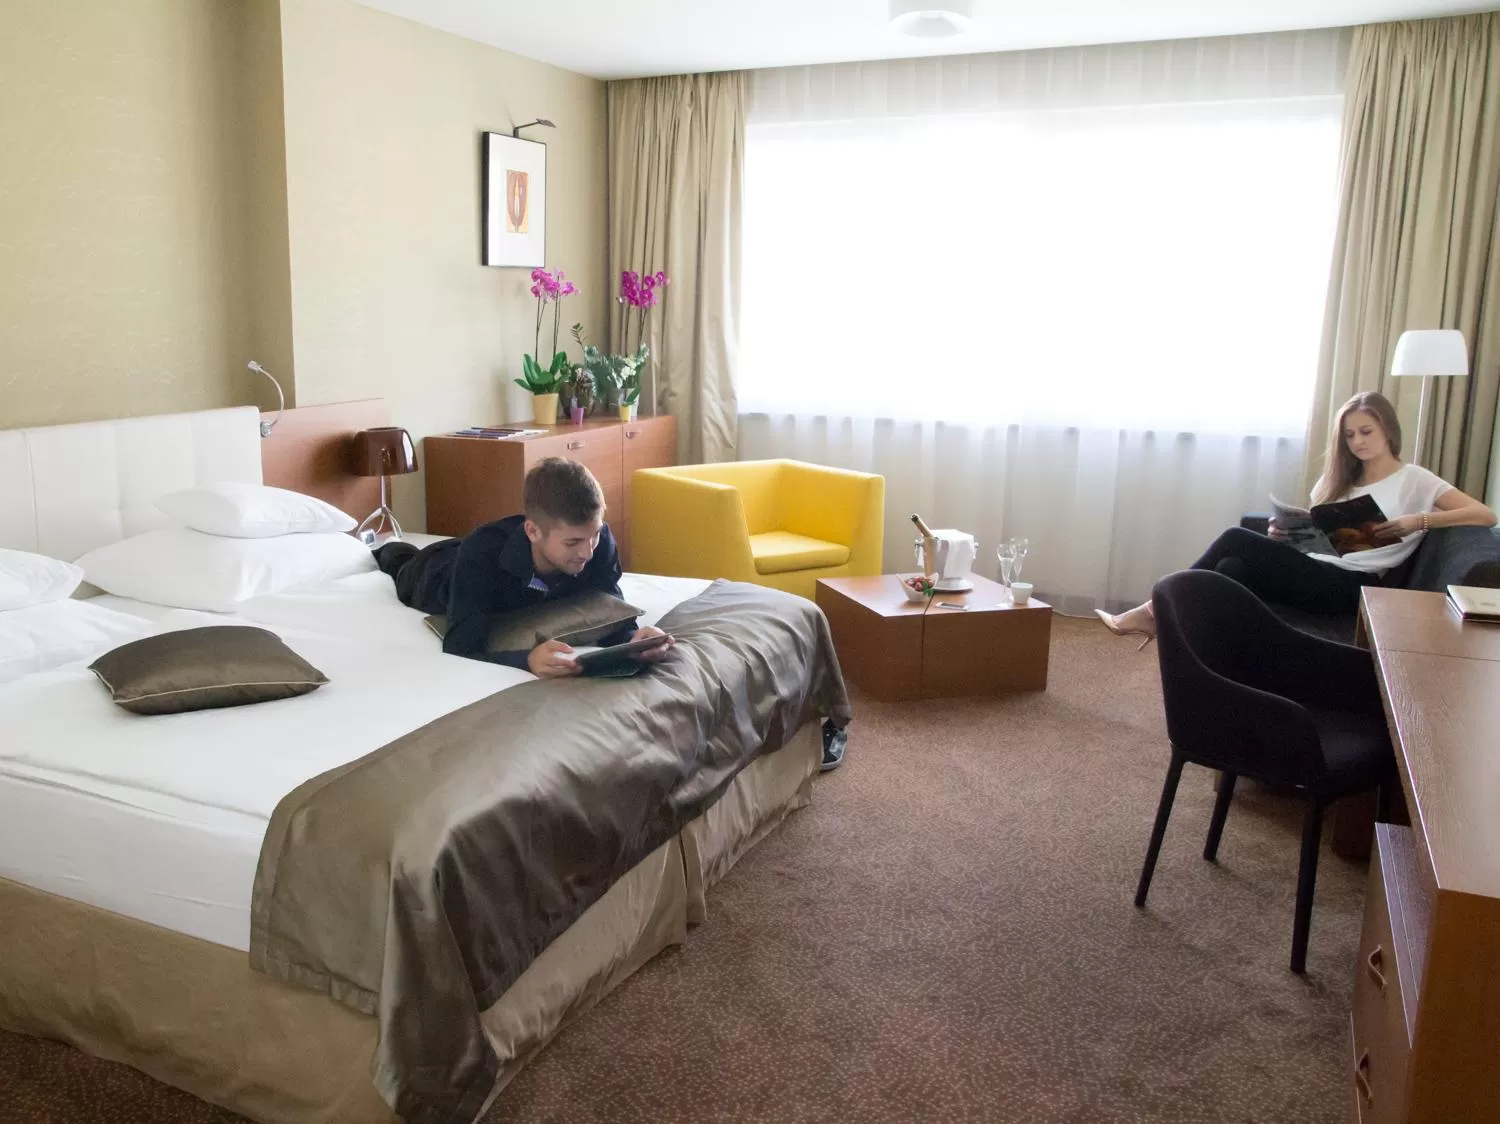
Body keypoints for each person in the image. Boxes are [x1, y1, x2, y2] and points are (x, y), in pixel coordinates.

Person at [1096, 391, 1497, 644]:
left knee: (1235, 538)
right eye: (1349, 435)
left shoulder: (1414, 479)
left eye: (1366, 431)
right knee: (1234, 565)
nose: (1357, 441)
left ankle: (1154, 611)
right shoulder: (1346, 480)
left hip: (1352, 587)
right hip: (1320, 568)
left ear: (1388, 430)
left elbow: (1484, 513)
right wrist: (1291, 534)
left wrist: (1419, 521)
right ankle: (1196, 652)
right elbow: (1332, 539)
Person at [375, 457, 671, 676]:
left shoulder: (598, 541)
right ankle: (378, 547)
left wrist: (635, 639)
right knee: (398, 559)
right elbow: (459, 646)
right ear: (532, 531)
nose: (587, 551)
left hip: (482, 549)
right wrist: (526, 660)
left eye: (593, 536)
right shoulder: (481, 555)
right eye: (572, 543)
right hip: (434, 573)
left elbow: (606, 607)